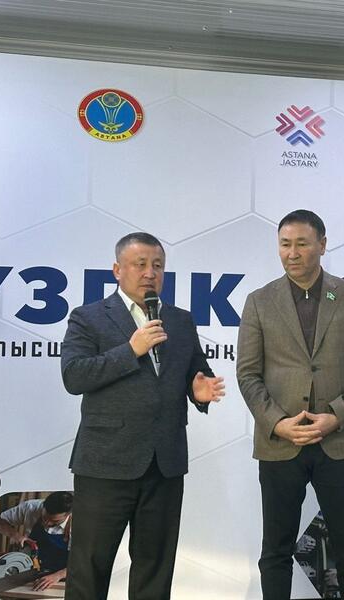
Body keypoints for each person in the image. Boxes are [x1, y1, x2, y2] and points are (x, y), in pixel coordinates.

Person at [60, 232, 225, 600]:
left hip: (164, 463)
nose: (150, 273)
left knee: (155, 570)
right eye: (140, 264)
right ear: (117, 270)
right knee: (89, 568)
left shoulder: (180, 320)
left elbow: (196, 372)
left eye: (158, 266)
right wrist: (131, 350)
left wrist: (199, 390)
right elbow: (74, 376)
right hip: (105, 463)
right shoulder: (88, 317)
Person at [237, 209, 344, 600]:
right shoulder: (259, 301)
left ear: (322, 245)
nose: (292, 252)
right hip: (280, 443)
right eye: (285, 244)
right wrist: (277, 423)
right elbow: (247, 374)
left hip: (338, 442)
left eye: (302, 243)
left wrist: (336, 416)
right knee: (276, 550)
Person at [0, 492, 74, 591]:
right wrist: (17, 536)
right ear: (43, 505)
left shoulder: (80, 524)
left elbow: (83, 563)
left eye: (54, 521)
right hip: (31, 570)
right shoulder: (31, 507)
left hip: (64, 575)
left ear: (68, 515)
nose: (47, 523)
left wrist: (58, 576)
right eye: (44, 517)